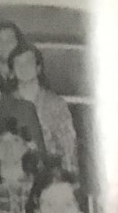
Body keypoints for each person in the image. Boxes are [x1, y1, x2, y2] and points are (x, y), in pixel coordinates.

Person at [10, 43, 78, 174]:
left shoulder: (56, 104)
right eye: (18, 64)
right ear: (12, 71)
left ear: (38, 68)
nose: (24, 67)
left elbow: (68, 146)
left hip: (49, 175)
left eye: (29, 62)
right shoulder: (6, 104)